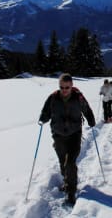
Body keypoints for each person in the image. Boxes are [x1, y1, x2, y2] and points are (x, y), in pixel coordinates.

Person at [38, 73, 95, 205]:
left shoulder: (78, 97)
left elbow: (86, 109)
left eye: (67, 87)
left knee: (70, 162)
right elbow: (46, 111)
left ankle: (71, 191)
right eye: (62, 87)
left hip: (74, 134)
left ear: (72, 86)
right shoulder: (53, 98)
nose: (64, 90)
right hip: (58, 135)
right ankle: (66, 181)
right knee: (62, 162)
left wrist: (91, 120)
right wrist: (42, 119)